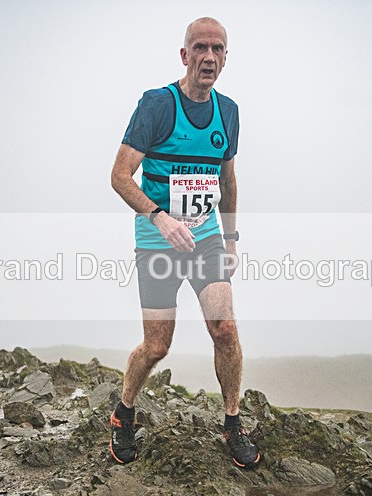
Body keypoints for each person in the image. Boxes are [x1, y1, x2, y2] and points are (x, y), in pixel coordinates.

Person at [109, 17, 261, 468]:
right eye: (200, 47)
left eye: (217, 49)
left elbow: (227, 180)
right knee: (157, 346)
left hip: (206, 237)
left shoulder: (228, 112)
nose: (208, 56)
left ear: (225, 58)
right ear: (184, 55)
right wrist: (159, 219)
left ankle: (232, 422)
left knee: (224, 328)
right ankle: (123, 413)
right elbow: (120, 176)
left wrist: (230, 238)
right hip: (157, 242)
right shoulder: (157, 105)